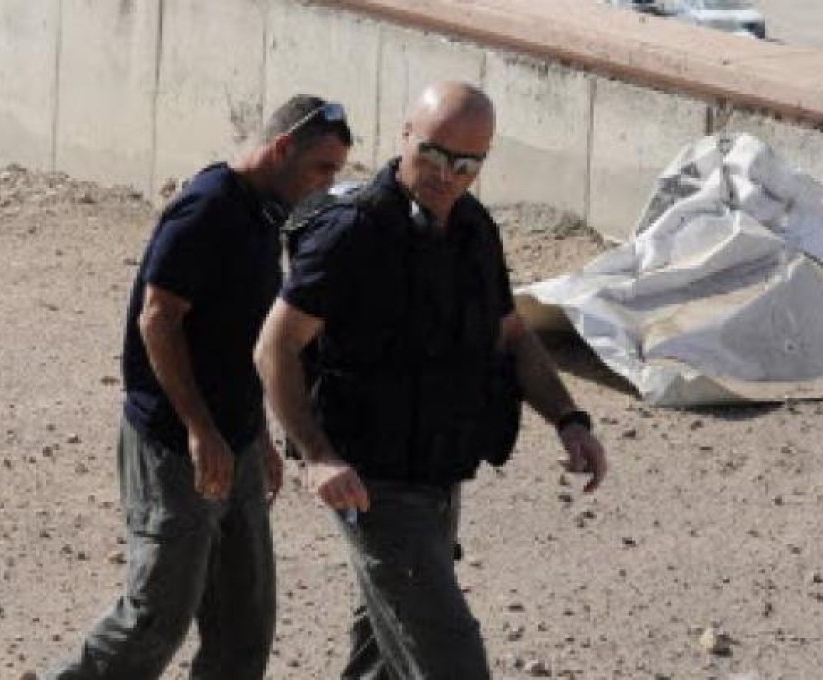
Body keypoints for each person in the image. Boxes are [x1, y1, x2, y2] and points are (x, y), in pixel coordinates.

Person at [254, 81, 608, 679]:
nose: (447, 175)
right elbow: (275, 347)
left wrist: (570, 421)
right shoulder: (351, 234)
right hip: (371, 485)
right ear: (405, 138)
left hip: (439, 477)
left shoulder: (473, 231)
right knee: (452, 664)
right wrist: (318, 455)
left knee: (385, 658)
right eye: (435, 154)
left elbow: (513, 337)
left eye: (466, 164)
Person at [44, 95, 352, 680]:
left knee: (244, 623)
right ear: (282, 147)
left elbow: (241, 339)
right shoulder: (207, 208)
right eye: (322, 168)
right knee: (155, 617)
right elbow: (157, 319)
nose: (326, 185)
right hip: (174, 443)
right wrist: (199, 428)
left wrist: (256, 433)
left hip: (231, 439)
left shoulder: (267, 214)